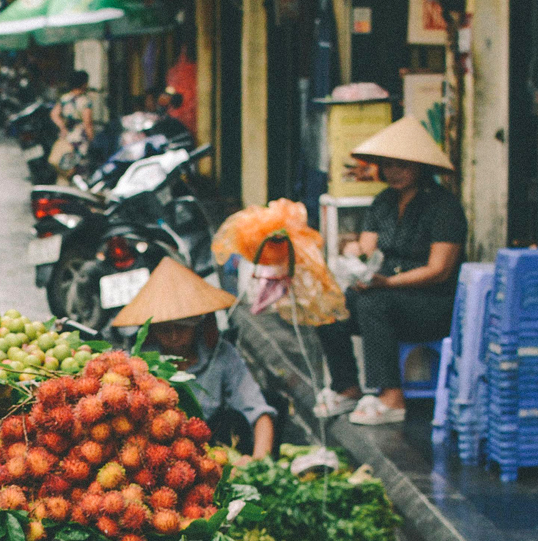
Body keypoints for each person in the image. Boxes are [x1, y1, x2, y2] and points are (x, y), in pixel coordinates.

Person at [313, 116, 466, 426]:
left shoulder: (443, 206)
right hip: (386, 293)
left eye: (402, 165)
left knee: (374, 303)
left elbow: (439, 270)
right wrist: (354, 254)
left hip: (433, 303)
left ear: (420, 167)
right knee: (327, 306)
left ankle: (391, 397)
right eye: (388, 164)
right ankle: (347, 387)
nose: (394, 172)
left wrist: (389, 282)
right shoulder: (383, 202)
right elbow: (367, 248)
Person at [113, 259, 277, 459]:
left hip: (211, 448)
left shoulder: (221, 354)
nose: (173, 336)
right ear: (152, 330)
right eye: (165, 329)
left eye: (182, 327)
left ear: (198, 324)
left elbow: (258, 411)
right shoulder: (140, 362)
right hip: (157, 452)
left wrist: (260, 463)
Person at [50, 70, 95, 182]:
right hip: (79, 139)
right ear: (84, 83)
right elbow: (88, 123)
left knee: (64, 164)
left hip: (66, 137)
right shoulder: (85, 101)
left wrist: (62, 127)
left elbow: (54, 114)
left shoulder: (65, 98)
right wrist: (92, 139)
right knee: (79, 167)